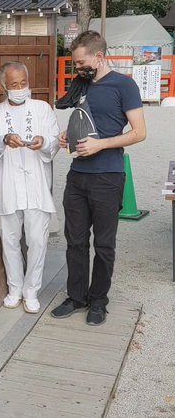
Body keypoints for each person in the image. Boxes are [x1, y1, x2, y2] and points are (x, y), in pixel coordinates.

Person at [51, 30, 146, 326]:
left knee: (104, 244)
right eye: (74, 64)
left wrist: (100, 144)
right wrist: (69, 135)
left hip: (108, 175)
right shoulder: (80, 85)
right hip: (77, 175)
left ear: (99, 56)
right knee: (75, 241)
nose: (76, 69)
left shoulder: (124, 85)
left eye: (80, 63)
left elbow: (139, 133)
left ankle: (98, 300)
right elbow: (85, 122)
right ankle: (76, 296)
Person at [0, 61, 59, 314]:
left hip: (36, 184)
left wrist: (43, 141)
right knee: (10, 240)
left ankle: (32, 290)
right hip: (8, 186)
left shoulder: (42, 108)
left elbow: (55, 140)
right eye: (13, 85)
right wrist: (3, 140)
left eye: (23, 83)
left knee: (37, 240)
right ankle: (15, 289)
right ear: (3, 86)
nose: (19, 88)